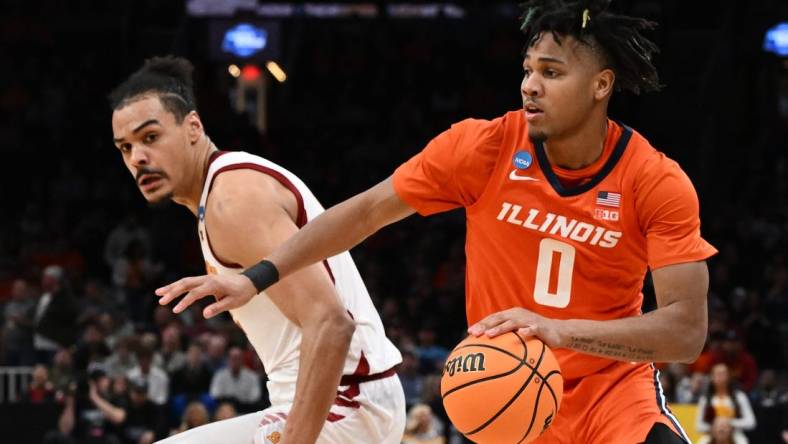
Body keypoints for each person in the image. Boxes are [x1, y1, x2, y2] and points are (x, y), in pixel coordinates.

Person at [157, 1, 718, 443]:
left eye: (551, 72)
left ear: (601, 85)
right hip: (509, 402)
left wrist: (558, 330)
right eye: (527, 70)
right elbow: (366, 211)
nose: (530, 85)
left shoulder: (654, 180)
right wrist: (257, 275)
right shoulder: (484, 147)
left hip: (612, 397)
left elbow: (685, 332)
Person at [109, 55, 404, 444]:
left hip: (344, 405)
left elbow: (331, 324)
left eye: (150, 138)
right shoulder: (222, 191)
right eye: (125, 148)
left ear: (193, 126)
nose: (138, 158)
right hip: (344, 403)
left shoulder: (232, 200)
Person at [695, 363, 756, 444]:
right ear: (711, 377)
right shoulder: (706, 399)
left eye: (723, 374)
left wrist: (729, 423)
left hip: (735, 435)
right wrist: (716, 426)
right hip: (712, 436)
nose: (720, 377)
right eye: (717, 374)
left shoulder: (739, 397)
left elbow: (751, 422)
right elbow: (699, 426)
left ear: (729, 376)